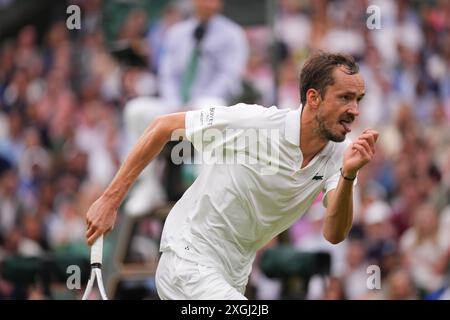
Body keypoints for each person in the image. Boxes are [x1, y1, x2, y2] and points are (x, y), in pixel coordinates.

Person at [86, 52, 379, 299]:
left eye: (358, 100)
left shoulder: (344, 156)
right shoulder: (253, 123)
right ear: (314, 98)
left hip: (233, 274)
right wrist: (109, 201)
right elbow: (163, 127)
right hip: (188, 257)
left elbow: (334, 234)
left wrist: (348, 176)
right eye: (345, 98)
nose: (354, 110)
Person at [123, 0, 249, 216]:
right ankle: (148, 185)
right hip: (176, 104)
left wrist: (196, 103)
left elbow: (229, 79)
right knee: (135, 110)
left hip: (211, 104)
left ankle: (205, 190)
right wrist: (176, 105)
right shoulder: (176, 33)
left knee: (210, 107)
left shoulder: (233, 34)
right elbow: (167, 75)